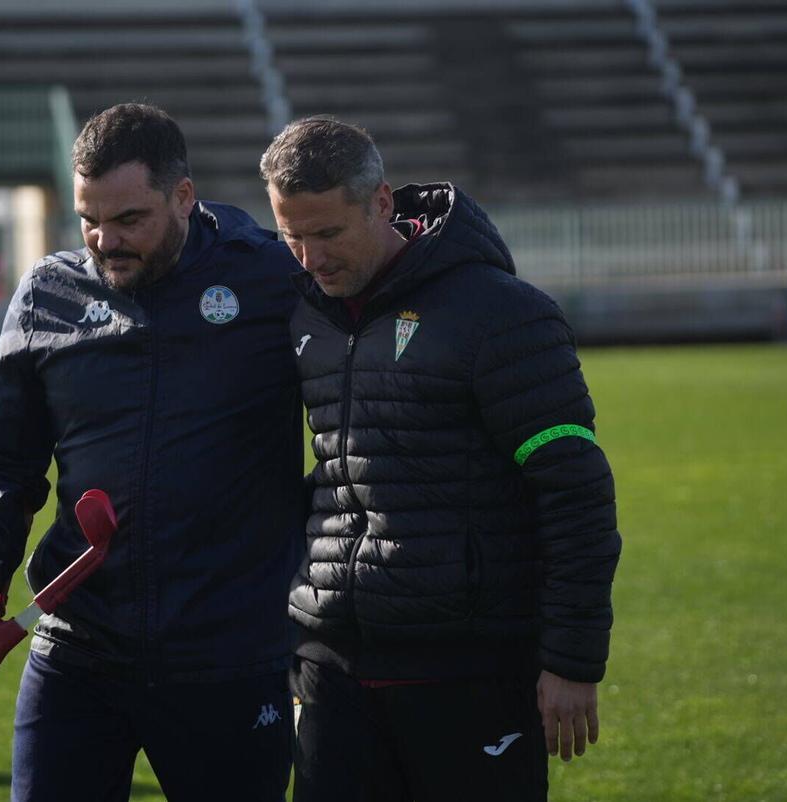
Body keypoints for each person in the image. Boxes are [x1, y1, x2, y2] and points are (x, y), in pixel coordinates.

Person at [0, 103, 304, 802]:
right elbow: (3, 456)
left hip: (230, 659)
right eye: (88, 219)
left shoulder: (270, 280)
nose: (105, 240)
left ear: (184, 198)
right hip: (77, 646)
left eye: (130, 219)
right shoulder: (49, 294)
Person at [259, 117, 622, 802]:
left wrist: (572, 659)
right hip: (330, 664)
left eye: (328, 234)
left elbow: (575, 492)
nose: (309, 258)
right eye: (291, 236)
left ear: (382, 203)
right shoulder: (304, 313)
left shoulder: (500, 314)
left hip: (469, 667)